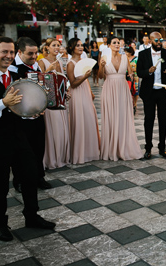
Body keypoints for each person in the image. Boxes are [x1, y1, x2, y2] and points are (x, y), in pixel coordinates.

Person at [0, 36, 56, 244]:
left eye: (12, 52)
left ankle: (32, 216)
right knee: (0, 183)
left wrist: (34, 111)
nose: (9, 56)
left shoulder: (17, 74)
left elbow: (26, 101)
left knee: (30, 175)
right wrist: (3, 103)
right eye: (4, 52)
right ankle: (0, 223)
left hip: (20, 134)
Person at [11, 37, 51, 190]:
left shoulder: (36, 67)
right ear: (20, 52)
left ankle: (39, 177)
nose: (34, 57)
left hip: (37, 114)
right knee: (21, 151)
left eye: (35, 53)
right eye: (30, 54)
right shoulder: (12, 68)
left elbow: (42, 88)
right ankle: (19, 180)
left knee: (39, 147)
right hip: (19, 117)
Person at [98, 36, 142, 160]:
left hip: (123, 90)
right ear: (109, 45)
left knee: (123, 117)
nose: (117, 44)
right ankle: (112, 148)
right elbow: (101, 76)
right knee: (112, 117)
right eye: (114, 42)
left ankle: (124, 146)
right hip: (109, 89)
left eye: (118, 43)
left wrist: (132, 75)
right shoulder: (104, 58)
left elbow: (130, 73)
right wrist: (101, 66)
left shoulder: (125, 58)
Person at [137, 32, 166, 159]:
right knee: (148, 120)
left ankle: (162, 148)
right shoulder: (143, 54)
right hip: (148, 92)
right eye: (156, 40)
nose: (159, 42)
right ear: (150, 40)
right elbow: (139, 72)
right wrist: (148, 71)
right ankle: (148, 148)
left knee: (163, 120)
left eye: (161, 40)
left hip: (163, 92)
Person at [66, 38, 101, 163]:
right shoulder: (70, 64)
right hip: (77, 93)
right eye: (77, 45)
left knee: (89, 119)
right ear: (72, 48)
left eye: (81, 45)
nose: (81, 47)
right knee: (80, 120)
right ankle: (79, 153)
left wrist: (91, 92)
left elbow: (85, 81)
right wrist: (85, 76)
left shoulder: (83, 61)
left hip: (86, 91)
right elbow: (73, 84)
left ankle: (90, 151)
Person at [40, 38, 71, 169]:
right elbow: (40, 80)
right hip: (49, 100)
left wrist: (66, 92)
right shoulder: (42, 61)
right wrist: (48, 69)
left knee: (62, 129)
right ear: (47, 47)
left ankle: (61, 157)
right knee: (53, 129)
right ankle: (51, 159)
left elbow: (62, 80)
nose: (57, 47)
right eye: (53, 45)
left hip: (61, 99)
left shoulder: (60, 61)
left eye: (58, 45)